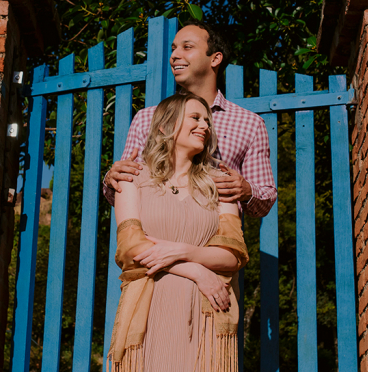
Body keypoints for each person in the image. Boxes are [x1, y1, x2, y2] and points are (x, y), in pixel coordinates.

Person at [109, 92, 248, 372]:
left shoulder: (220, 182)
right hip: (151, 307)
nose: (205, 126)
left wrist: (181, 251)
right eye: (195, 118)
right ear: (165, 126)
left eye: (207, 120)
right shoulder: (132, 178)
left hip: (208, 309)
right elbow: (131, 248)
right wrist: (197, 271)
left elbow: (233, 255)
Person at [104, 22, 276, 217]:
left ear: (215, 58)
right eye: (173, 48)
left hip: (217, 241)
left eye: (187, 47)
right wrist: (112, 180)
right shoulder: (147, 118)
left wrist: (246, 191)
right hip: (152, 240)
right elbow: (121, 190)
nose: (174, 56)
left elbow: (266, 199)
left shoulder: (249, 123)